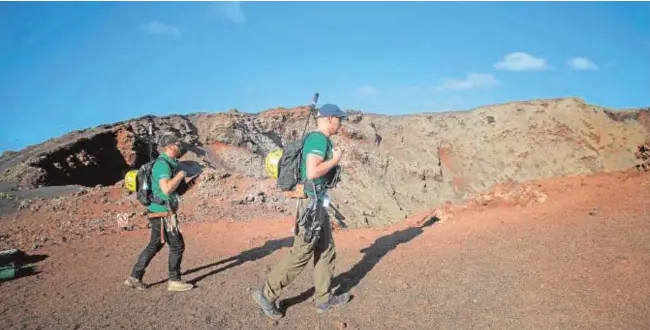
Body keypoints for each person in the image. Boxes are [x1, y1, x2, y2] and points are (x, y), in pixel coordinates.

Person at [252, 104, 350, 319]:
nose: (341, 123)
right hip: (311, 204)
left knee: (326, 249)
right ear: (330, 118)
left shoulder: (321, 140)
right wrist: (334, 160)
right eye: (339, 119)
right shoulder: (318, 139)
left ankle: (323, 299)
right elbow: (314, 171)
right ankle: (266, 294)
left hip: (317, 202)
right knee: (302, 251)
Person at [124, 132, 195, 292]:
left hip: (159, 211)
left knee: (155, 244)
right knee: (177, 246)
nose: (181, 147)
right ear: (169, 146)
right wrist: (182, 174)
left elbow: (175, 191)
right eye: (178, 144)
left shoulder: (170, 163)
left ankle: (134, 277)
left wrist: (191, 183)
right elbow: (167, 188)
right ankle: (174, 280)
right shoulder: (163, 164)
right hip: (164, 213)